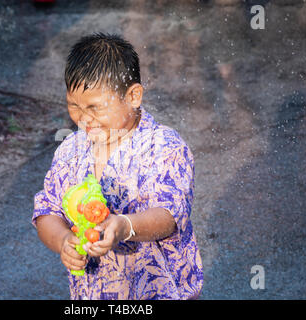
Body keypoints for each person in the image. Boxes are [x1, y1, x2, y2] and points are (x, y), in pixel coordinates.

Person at [32, 33, 203, 300]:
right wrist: (63, 241)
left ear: (133, 95)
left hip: (158, 292)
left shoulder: (164, 148)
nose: (84, 119)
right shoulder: (70, 150)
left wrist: (124, 226)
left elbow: (169, 216)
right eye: (73, 106)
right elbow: (47, 210)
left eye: (95, 108)